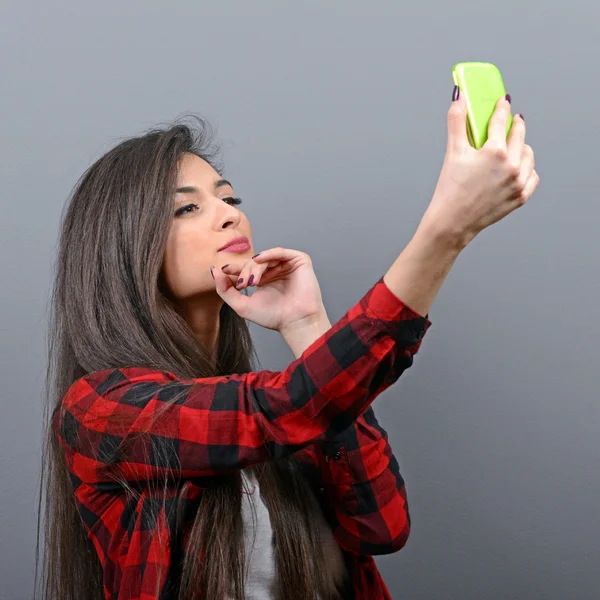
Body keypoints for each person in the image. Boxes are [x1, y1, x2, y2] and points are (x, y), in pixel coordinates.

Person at [35, 86, 539, 600]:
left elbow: (381, 526)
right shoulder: (99, 410)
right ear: (125, 250)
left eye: (229, 198)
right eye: (186, 210)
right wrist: (444, 231)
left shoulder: (288, 412)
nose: (230, 214)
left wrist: (307, 325)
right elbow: (280, 409)